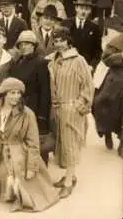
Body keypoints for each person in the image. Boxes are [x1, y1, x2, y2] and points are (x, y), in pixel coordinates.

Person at [0, 77, 59, 212]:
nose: (16, 96)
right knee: (2, 180)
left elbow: (33, 143)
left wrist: (31, 168)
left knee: (20, 185)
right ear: (4, 94)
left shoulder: (27, 114)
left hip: (19, 153)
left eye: (18, 93)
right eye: (12, 93)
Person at [46, 27, 95, 199]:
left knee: (71, 144)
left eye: (61, 40)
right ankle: (70, 175)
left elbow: (88, 86)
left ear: (68, 40)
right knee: (62, 145)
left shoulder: (78, 60)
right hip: (58, 108)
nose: (58, 44)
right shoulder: (52, 60)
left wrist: (79, 106)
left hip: (72, 107)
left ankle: (68, 183)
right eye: (55, 41)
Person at [8, 30, 52, 164]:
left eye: (27, 44)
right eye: (21, 44)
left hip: (35, 108)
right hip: (18, 106)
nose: (24, 47)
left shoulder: (41, 62)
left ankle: (42, 174)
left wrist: (43, 116)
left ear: (34, 45)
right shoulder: (17, 62)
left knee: (37, 143)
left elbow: (45, 91)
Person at [93, 33, 123, 157]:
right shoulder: (117, 40)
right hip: (116, 81)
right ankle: (107, 131)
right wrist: (121, 56)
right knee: (103, 106)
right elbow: (106, 59)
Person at [61, 0, 102, 71]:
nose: (83, 12)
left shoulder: (94, 28)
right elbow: (58, 45)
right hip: (67, 66)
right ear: (76, 8)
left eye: (87, 9)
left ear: (90, 11)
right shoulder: (65, 24)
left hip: (86, 68)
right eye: (81, 8)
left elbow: (98, 51)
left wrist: (92, 66)